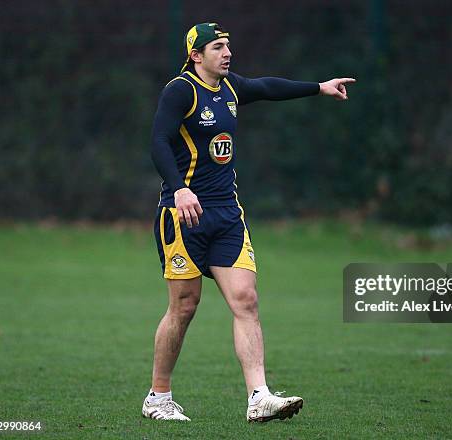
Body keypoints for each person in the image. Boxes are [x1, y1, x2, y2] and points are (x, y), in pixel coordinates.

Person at [142, 22, 355, 422]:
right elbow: (158, 141)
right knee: (184, 307)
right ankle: (158, 397)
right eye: (218, 47)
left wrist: (318, 86)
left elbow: (267, 87)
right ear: (196, 55)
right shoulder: (181, 90)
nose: (227, 53)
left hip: (226, 214)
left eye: (228, 47)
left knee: (246, 300)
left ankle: (259, 397)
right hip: (184, 214)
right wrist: (178, 189)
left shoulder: (230, 87)